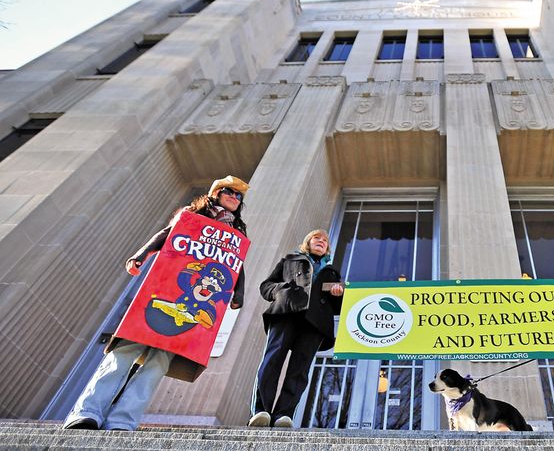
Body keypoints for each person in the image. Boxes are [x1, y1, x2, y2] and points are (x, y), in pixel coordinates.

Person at [62, 175, 250, 431]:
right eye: (229, 191)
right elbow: (166, 234)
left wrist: (238, 291)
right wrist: (141, 254)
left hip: (190, 308)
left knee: (158, 363)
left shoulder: (237, 231)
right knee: (124, 352)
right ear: (216, 192)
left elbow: (235, 263)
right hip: (163, 291)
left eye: (239, 196)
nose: (234, 197)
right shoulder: (192, 213)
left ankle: (123, 421)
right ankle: (87, 412)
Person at [249, 229, 345, 428]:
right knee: (272, 361)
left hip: (315, 323)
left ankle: (284, 414)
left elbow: (338, 308)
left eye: (325, 240)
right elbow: (266, 286)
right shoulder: (290, 260)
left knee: (300, 369)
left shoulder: (332, 272)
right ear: (307, 243)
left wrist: (338, 294)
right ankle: (260, 411)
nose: (321, 241)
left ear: (327, 248)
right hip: (286, 313)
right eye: (317, 238)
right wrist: (282, 291)